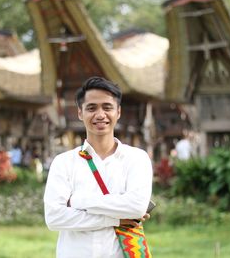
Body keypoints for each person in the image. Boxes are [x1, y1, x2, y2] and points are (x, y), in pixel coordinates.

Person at [43, 76, 153, 258]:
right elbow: (54, 218)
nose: (100, 114)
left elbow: (136, 207)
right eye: (92, 108)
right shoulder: (64, 162)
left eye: (107, 107)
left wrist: (78, 201)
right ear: (80, 113)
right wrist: (116, 219)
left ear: (118, 112)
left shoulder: (136, 158)